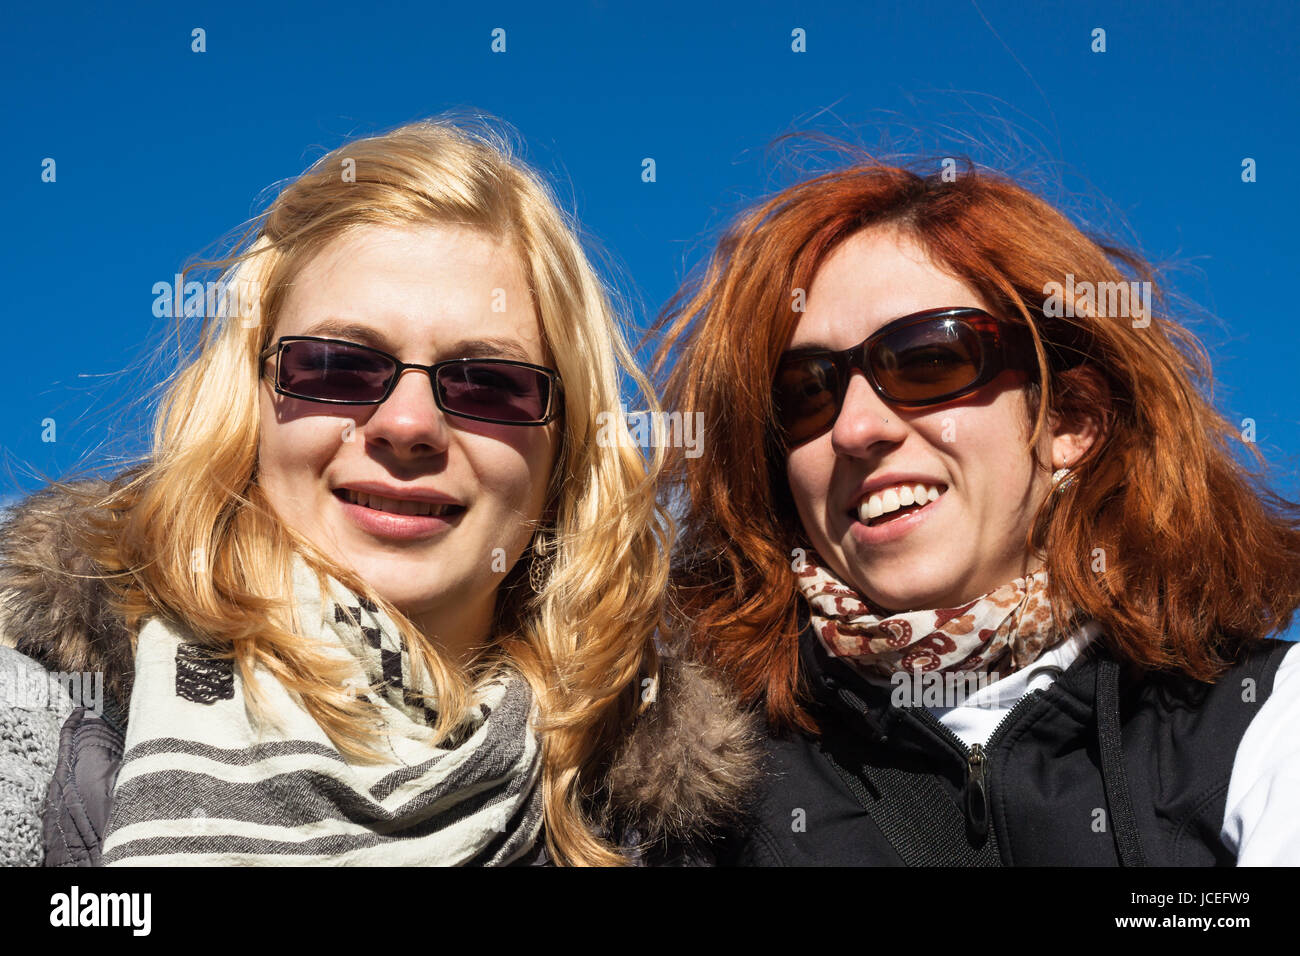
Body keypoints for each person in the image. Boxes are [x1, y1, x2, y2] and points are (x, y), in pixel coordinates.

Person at [0, 119, 757, 867]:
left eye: (489, 383)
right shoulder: (40, 731)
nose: (408, 423)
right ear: (249, 402)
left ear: (565, 451)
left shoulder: (673, 835)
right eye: (338, 366)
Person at [652, 157, 1300, 865]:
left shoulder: (1262, 728)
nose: (856, 427)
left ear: (1070, 418)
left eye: (929, 358)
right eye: (806, 390)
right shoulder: (688, 800)